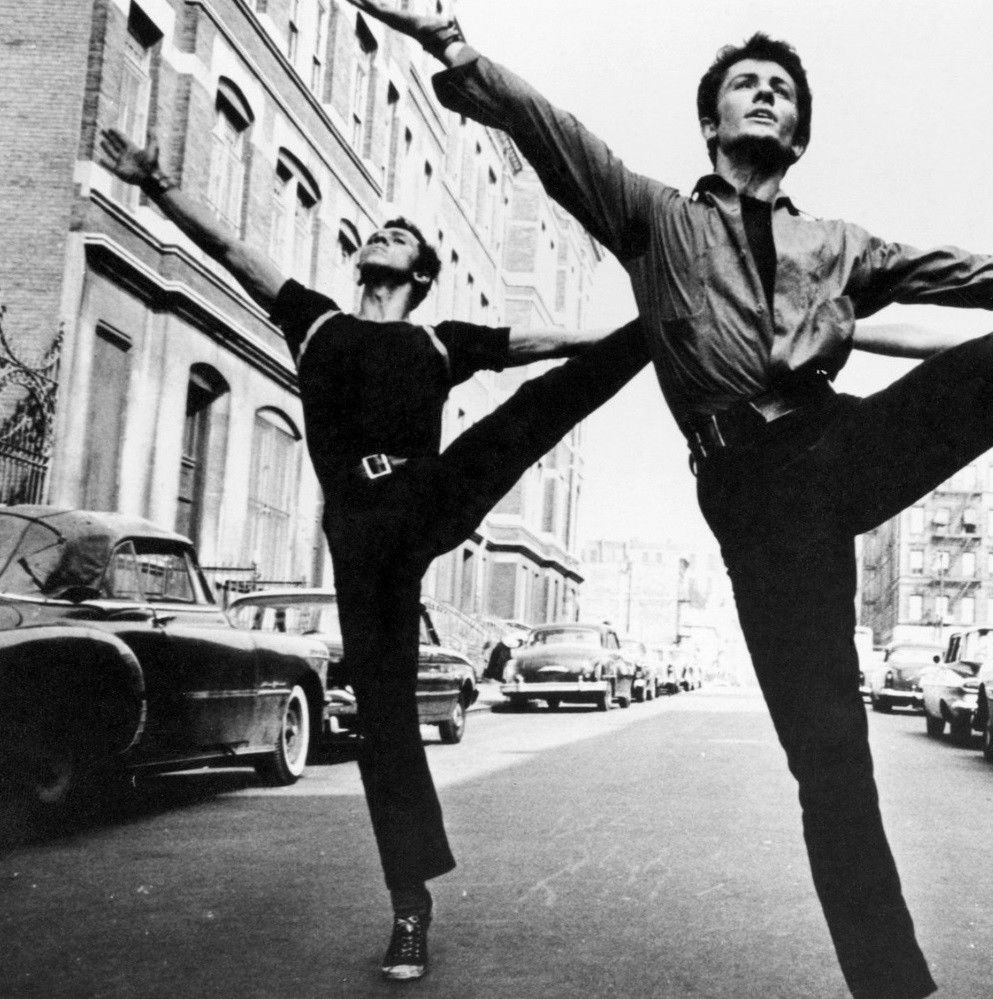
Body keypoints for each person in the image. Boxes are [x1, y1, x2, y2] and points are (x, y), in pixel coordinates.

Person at [347, 5, 993, 996]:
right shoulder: (653, 217)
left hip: (839, 443)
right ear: (710, 121)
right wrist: (453, 44)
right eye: (746, 85)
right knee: (831, 763)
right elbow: (551, 131)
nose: (766, 95)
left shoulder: (836, 243)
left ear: (800, 135)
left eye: (782, 90)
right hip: (753, 498)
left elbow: (965, 273)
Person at [97, 129, 651, 982]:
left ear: (420, 276)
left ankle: (663, 330)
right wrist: (158, 184)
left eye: (402, 238)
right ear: (365, 263)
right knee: (387, 718)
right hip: (360, 533)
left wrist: (618, 335)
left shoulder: (438, 341)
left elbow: (537, 343)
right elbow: (234, 250)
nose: (385, 237)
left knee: (534, 411)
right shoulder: (317, 322)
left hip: (428, 495)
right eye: (380, 234)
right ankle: (410, 906)